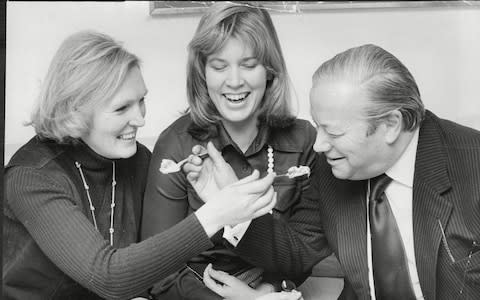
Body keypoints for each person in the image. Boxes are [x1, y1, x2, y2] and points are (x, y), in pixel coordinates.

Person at [185, 44, 480, 299]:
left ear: (391, 124)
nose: (319, 145)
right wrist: (230, 207)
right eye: (317, 126)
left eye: (333, 132)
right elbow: (296, 250)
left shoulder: (473, 165)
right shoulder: (331, 169)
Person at [2, 30, 277, 300]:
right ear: (75, 110)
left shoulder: (138, 160)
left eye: (141, 101)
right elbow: (110, 277)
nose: (141, 119)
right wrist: (216, 213)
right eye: (122, 108)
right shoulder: (31, 178)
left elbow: (159, 270)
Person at [141, 2, 317, 299]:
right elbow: (159, 270)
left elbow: (303, 254)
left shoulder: (305, 140)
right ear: (202, 72)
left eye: (249, 65)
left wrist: (268, 290)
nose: (234, 82)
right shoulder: (177, 144)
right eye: (219, 66)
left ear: (269, 70)